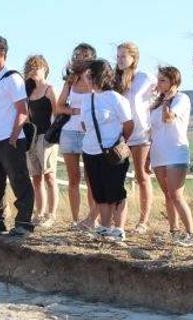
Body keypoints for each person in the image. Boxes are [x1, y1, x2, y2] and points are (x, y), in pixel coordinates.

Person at [0, 35, 34, 236]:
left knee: (19, 180)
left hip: (9, 138)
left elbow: (22, 110)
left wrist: (13, 136)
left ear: (2, 52)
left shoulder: (13, 78)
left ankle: (23, 223)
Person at [81, 59, 134, 242]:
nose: (86, 79)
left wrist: (121, 142)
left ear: (99, 76)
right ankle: (104, 227)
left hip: (112, 152)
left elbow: (128, 124)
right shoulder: (86, 99)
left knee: (116, 191)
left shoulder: (116, 99)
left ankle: (119, 229)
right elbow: (84, 124)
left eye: (89, 75)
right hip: (90, 151)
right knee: (99, 192)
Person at [148, 66, 193, 247]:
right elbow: (152, 129)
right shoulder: (156, 102)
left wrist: (167, 101)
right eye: (158, 80)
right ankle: (174, 230)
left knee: (176, 195)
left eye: (162, 80)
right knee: (167, 195)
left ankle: (190, 233)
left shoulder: (181, 99)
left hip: (175, 151)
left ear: (173, 82)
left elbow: (168, 118)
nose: (158, 84)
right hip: (158, 152)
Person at [115, 42, 157, 234]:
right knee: (117, 176)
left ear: (133, 58)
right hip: (121, 133)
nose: (120, 60)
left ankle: (143, 220)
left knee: (141, 175)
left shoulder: (145, 78)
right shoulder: (115, 80)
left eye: (124, 56)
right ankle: (117, 220)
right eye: (118, 56)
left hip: (141, 133)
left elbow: (159, 96)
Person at [56, 44, 96, 228]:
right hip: (70, 132)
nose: (80, 58)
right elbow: (59, 106)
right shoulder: (70, 80)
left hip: (90, 132)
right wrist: (74, 110)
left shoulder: (95, 79)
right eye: (78, 55)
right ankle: (74, 219)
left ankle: (91, 219)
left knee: (91, 178)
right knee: (73, 178)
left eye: (85, 55)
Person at [24, 55, 59, 227]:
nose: (34, 70)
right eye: (31, 67)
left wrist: (52, 136)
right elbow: (26, 117)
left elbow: (57, 114)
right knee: (36, 178)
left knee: (50, 176)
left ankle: (51, 215)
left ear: (45, 68)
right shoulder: (28, 92)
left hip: (47, 137)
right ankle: (40, 213)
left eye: (36, 67)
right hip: (32, 138)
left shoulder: (50, 89)